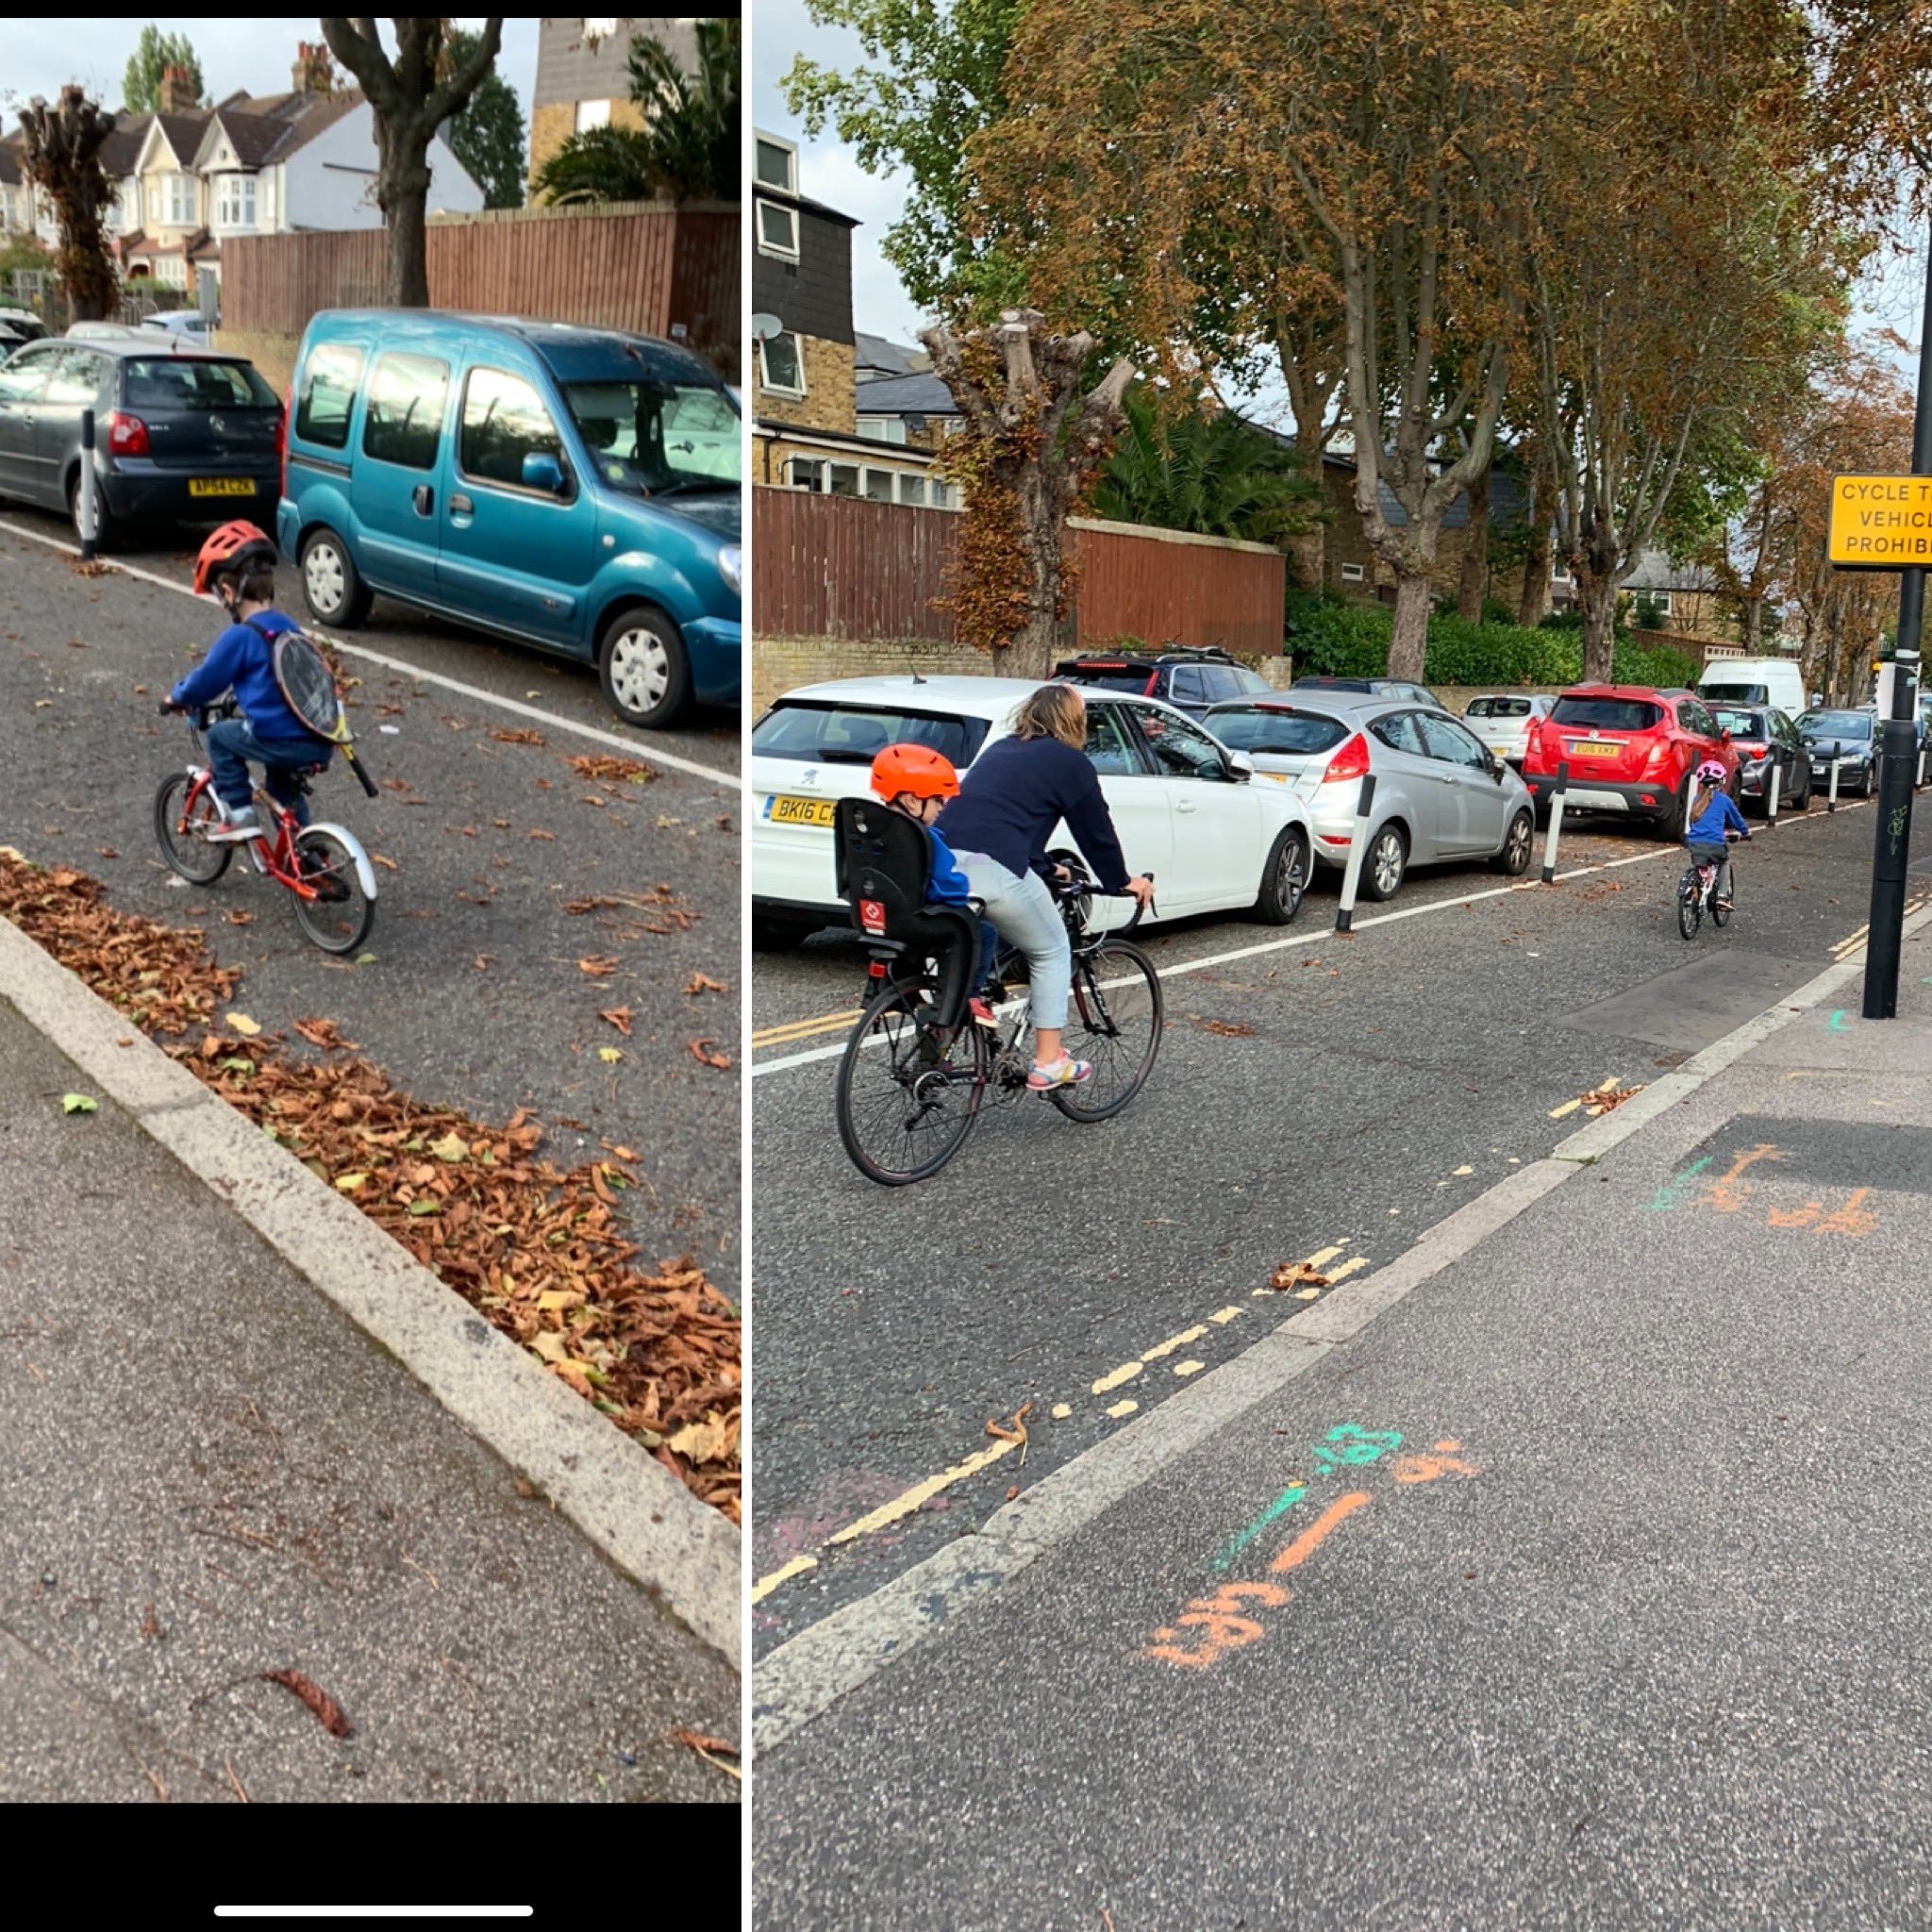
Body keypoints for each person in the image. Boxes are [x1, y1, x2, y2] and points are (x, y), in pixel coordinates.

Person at [938, 683, 1156, 1091]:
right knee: (1052, 950)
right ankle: (1048, 1061)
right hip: (994, 869)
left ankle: (939, 1043)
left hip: (946, 863)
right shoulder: (1070, 763)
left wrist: (1047, 866)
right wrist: (1121, 881)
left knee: (972, 954)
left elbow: (1000, 818)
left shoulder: (1001, 749)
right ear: (1075, 722)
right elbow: (1096, 830)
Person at [165, 522, 333, 844]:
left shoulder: (242, 636)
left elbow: (205, 681)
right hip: (317, 739)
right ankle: (310, 855)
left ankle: (240, 815)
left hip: (279, 739)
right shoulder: (289, 627)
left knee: (220, 737)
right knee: (282, 793)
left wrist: (176, 697)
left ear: (228, 593)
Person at [868, 742, 999, 1027]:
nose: (943, 806)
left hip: (880, 917)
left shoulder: (874, 833)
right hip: (921, 921)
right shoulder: (925, 839)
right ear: (913, 801)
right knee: (982, 930)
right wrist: (965, 887)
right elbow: (949, 889)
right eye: (938, 799)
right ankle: (970, 997)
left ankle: (903, 988)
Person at [1685, 758, 1750, 908]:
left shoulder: (1696, 799)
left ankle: (1693, 889)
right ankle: (1722, 896)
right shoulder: (1724, 800)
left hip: (1694, 843)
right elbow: (1736, 819)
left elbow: (1692, 821)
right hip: (1715, 844)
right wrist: (1745, 832)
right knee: (1724, 861)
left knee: (1700, 862)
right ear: (1721, 781)